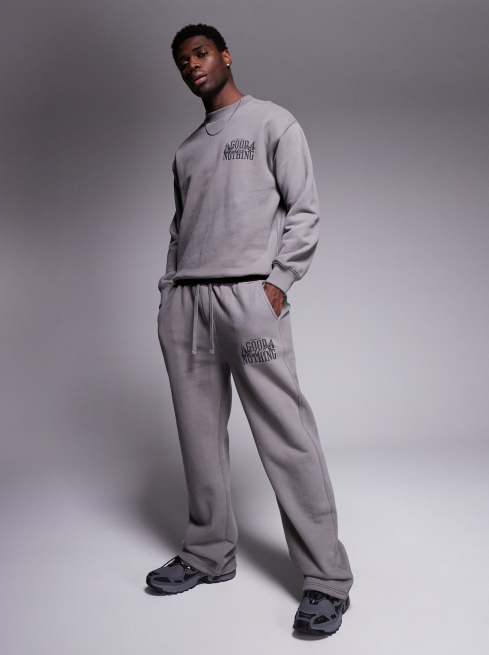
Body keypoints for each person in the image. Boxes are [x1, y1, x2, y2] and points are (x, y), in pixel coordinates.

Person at [146, 23, 354, 637]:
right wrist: (168, 293)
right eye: (183, 61)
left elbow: (305, 210)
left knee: (286, 436)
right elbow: (180, 230)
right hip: (189, 304)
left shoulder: (272, 123)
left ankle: (326, 580)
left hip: (249, 299)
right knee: (198, 436)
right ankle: (209, 553)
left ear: (225, 55)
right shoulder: (186, 151)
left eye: (201, 53)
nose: (193, 66)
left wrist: (278, 283)